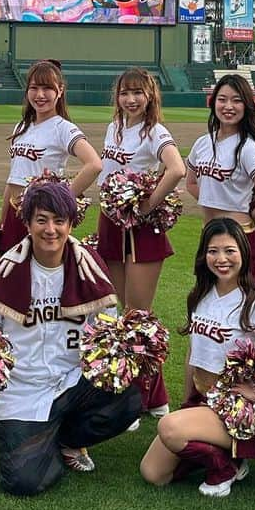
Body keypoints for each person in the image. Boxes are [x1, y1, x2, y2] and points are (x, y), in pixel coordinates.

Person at [0, 180, 141, 496]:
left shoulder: (90, 267)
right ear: (27, 223)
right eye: (41, 220)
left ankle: (66, 439)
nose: (51, 229)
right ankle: (42, 440)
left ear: (70, 223)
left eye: (59, 220)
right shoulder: (7, 269)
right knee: (23, 483)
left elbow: (106, 337)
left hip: (71, 381)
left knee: (127, 397)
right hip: (21, 391)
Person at [139, 219, 255, 496]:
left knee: (169, 427)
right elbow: (195, 352)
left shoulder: (254, 303)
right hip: (203, 401)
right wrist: (187, 400)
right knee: (154, 473)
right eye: (213, 251)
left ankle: (225, 465)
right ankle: (222, 454)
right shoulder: (200, 295)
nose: (221, 259)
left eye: (230, 251)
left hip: (233, 406)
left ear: (244, 253)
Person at [94, 68, 186, 418]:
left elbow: (176, 169)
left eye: (138, 93)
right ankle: (144, 396)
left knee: (138, 315)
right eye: (124, 93)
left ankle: (146, 399)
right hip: (112, 223)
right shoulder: (114, 128)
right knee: (118, 314)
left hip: (139, 228)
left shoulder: (155, 131)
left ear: (150, 97)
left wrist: (147, 204)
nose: (131, 100)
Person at [184, 73, 255, 291]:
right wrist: (211, 199)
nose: (228, 106)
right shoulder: (203, 142)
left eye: (237, 100)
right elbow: (191, 183)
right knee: (210, 303)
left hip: (241, 237)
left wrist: (250, 216)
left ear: (246, 105)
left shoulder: (247, 148)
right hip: (210, 236)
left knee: (245, 308)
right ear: (214, 103)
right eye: (222, 99)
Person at [0, 60, 102, 254]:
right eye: (34, 88)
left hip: (41, 216)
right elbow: (13, 179)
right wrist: (1, 222)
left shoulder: (63, 128)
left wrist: (61, 200)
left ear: (60, 91)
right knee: (13, 277)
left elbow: (94, 164)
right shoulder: (21, 127)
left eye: (47, 88)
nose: (40, 95)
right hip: (14, 213)